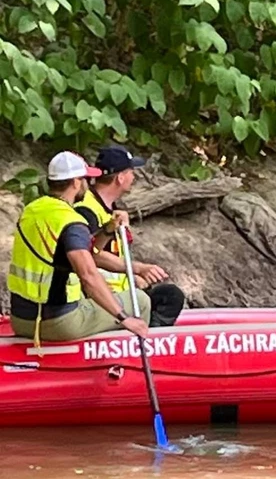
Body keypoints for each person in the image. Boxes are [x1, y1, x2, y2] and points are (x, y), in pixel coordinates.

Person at [6, 151, 150, 346]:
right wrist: (125, 318)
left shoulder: (33, 210)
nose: (88, 184)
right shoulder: (72, 222)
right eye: (85, 179)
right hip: (58, 322)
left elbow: (81, 253)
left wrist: (107, 230)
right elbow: (88, 275)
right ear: (75, 182)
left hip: (21, 320)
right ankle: (128, 361)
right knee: (140, 301)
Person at [75, 144, 185, 327]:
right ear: (120, 177)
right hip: (105, 299)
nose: (134, 177)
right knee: (168, 297)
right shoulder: (87, 211)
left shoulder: (111, 208)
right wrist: (137, 268)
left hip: (125, 291)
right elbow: (89, 254)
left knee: (170, 295)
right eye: (131, 172)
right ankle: (148, 341)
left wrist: (134, 278)